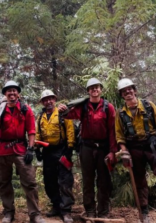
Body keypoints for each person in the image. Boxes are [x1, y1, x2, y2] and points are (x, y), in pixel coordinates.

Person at [115, 78, 156, 223]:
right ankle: (144, 213)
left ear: (135, 90)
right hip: (134, 149)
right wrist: (124, 151)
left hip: (152, 146)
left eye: (130, 89)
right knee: (139, 182)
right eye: (124, 91)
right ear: (122, 95)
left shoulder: (148, 106)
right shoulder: (120, 114)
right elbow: (119, 136)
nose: (128, 92)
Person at [0, 80, 45, 223]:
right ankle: (8, 212)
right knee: (4, 182)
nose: (12, 93)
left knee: (29, 182)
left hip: (21, 149)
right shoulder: (0, 109)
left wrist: (30, 149)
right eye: (9, 90)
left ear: (18, 93)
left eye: (14, 90)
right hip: (2, 150)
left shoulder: (25, 109)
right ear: (5, 93)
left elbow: (31, 130)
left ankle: (35, 214)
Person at [58, 78, 117, 219]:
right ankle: (90, 210)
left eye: (96, 87)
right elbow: (68, 115)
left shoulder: (108, 107)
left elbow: (112, 130)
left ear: (101, 89)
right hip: (86, 148)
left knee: (104, 180)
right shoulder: (83, 106)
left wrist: (113, 151)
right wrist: (62, 109)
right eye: (91, 88)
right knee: (88, 180)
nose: (94, 90)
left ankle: (103, 211)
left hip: (103, 147)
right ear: (88, 91)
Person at [35, 90, 75, 223]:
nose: (48, 101)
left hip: (62, 150)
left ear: (55, 99)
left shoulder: (63, 113)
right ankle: (56, 206)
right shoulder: (40, 117)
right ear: (42, 102)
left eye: (50, 99)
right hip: (48, 153)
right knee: (49, 182)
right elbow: (37, 134)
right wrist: (37, 150)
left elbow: (70, 130)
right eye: (45, 99)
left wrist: (69, 148)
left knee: (65, 181)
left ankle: (66, 210)